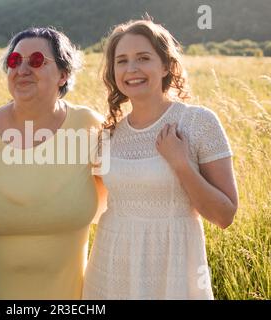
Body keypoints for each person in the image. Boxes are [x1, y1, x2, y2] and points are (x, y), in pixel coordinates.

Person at [83, 19, 239, 299]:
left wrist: (180, 164)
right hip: (111, 267)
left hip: (173, 269)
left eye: (143, 58)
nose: (131, 69)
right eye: (122, 61)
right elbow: (93, 204)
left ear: (166, 65)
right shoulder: (108, 134)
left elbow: (224, 216)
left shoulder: (197, 122)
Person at [0, 27, 106, 299]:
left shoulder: (89, 127)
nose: (22, 69)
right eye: (14, 61)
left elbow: (122, 193)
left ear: (64, 74)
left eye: (36, 60)